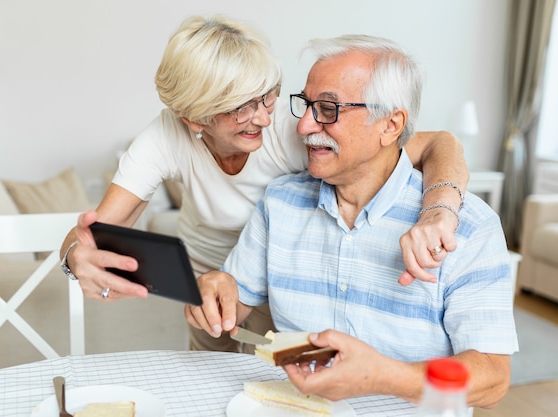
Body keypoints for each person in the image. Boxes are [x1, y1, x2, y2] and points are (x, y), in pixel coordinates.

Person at [59, 15, 469, 353]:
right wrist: (77, 257)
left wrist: (439, 212)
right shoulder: (164, 138)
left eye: (268, 96)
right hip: (206, 276)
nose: (262, 117)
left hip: (281, 272)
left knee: (284, 375)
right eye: (241, 108)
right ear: (195, 117)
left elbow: (438, 143)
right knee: (209, 376)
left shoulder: (296, 125)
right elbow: (95, 235)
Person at [185, 33, 518, 410]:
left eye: (328, 109)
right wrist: (217, 292)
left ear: (390, 125)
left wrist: (385, 377)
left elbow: (492, 377)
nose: (304, 126)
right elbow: (235, 300)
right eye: (306, 106)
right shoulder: (280, 203)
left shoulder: (468, 226)